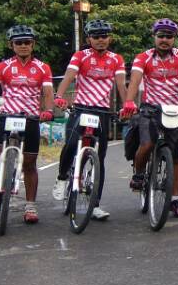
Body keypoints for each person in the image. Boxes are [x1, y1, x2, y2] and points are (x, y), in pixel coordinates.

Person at [121, 19, 178, 218]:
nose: (165, 40)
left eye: (169, 36)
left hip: (173, 110)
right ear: (154, 37)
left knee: (175, 157)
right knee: (147, 144)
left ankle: (175, 199)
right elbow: (135, 80)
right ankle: (139, 173)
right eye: (161, 36)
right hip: (150, 109)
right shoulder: (144, 57)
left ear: (174, 38)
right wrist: (129, 102)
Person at [0, 25, 54, 224]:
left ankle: (30, 205)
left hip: (31, 119)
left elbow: (47, 93)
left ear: (33, 44)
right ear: (12, 45)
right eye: (19, 42)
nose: (23, 46)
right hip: (6, 116)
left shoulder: (43, 67)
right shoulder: (3, 66)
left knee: (29, 164)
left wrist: (48, 110)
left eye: (27, 42)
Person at [52, 19, 126, 220]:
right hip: (82, 108)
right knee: (69, 145)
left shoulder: (116, 59)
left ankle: (95, 205)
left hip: (102, 112)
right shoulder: (80, 56)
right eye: (96, 37)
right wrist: (59, 96)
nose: (101, 40)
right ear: (89, 39)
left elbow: (120, 85)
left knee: (99, 159)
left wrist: (127, 104)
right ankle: (61, 178)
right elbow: (69, 76)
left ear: (109, 38)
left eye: (104, 36)